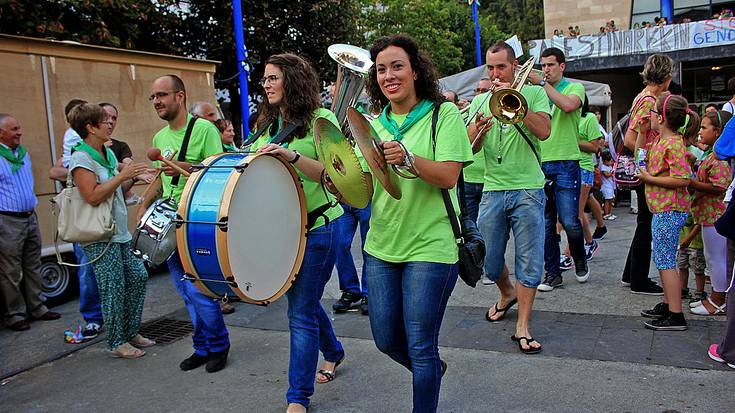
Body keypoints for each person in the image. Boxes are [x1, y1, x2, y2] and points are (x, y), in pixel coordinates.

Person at [360, 34, 472, 413]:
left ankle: (426, 379)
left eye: (397, 66)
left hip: (432, 245)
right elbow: (362, 185)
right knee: (386, 339)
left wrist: (408, 157)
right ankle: (432, 371)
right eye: (380, 70)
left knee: (422, 344)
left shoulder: (445, 114)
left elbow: (449, 176)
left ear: (415, 71)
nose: (388, 75)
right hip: (381, 246)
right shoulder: (372, 124)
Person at [251, 54, 346, 413]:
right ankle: (334, 351)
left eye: (273, 77)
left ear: (292, 80)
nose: (267, 84)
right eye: (265, 79)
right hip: (285, 232)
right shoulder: (267, 122)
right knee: (302, 304)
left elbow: (335, 175)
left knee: (300, 312)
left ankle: (298, 399)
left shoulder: (322, 120)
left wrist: (290, 156)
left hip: (320, 227)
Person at [469, 41, 551, 353]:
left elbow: (544, 131)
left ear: (514, 65)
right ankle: (506, 293)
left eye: (500, 66)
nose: (495, 73)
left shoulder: (534, 93)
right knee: (487, 261)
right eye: (490, 68)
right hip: (492, 188)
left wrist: (517, 106)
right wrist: (478, 128)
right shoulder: (480, 101)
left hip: (528, 187)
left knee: (529, 259)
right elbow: (470, 148)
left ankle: (523, 326)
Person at [148, 74, 231, 373]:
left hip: (196, 219)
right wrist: (146, 202)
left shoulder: (204, 130)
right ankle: (204, 345)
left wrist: (181, 167)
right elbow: (161, 180)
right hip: (169, 219)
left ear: (179, 96)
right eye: (153, 97)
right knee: (186, 291)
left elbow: (217, 172)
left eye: (162, 95)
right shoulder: (159, 138)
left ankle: (217, 345)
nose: (156, 101)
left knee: (199, 289)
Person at [67, 103, 152, 357]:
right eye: (105, 121)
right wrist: (121, 175)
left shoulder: (107, 153)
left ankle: (130, 330)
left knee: (138, 276)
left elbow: (118, 188)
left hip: (118, 231)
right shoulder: (80, 157)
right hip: (99, 235)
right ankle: (117, 342)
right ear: (90, 128)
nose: (110, 124)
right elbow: (92, 196)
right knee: (112, 287)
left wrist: (137, 175)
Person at [527, 47, 589, 291]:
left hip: (566, 161)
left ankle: (579, 257)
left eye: (551, 65)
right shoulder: (538, 90)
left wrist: (541, 82)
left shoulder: (575, 88)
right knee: (545, 223)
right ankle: (552, 273)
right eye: (543, 66)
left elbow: (567, 106)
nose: (546, 70)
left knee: (570, 221)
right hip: (540, 162)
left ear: (562, 66)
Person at [636, 93, 694, 330]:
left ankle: (676, 313)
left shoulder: (673, 144)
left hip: (670, 210)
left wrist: (650, 178)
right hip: (662, 209)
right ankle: (669, 303)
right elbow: (640, 158)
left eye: (652, 112)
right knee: (662, 259)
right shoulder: (660, 140)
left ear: (661, 117)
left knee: (665, 261)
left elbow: (683, 179)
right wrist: (641, 132)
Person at [0, 114, 61, 331]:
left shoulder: (22, 154)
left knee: (33, 265)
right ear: (1, 133)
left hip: (29, 216)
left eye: (19, 127)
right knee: (10, 270)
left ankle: (38, 307)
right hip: (7, 220)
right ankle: (15, 314)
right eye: (14, 129)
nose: (19, 132)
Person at [621, 53, 674, 295]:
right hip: (648, 169)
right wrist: (653, 156)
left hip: (645, 167)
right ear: (666, 76)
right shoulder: (648, 100)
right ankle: (638, 279)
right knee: (647, 223)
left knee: (644, 221)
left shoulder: (644, 96)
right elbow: (632, 138)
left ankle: (631, 274)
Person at [689, 110, 733, 316]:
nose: (700, 131)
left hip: (715, 214)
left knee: (717, 258)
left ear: (718, 132)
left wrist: (693, 183)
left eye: (705, 127)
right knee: (711, 257)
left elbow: (719, 186)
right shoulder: (709, 153)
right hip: (707, 214)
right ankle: (716, 296)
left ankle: (718, 300)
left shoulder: (721, 158)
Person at [576, 95, 606, 256]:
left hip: (584, 167)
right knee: (578, 210)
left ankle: (568, 253)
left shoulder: (588, 118)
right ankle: (590, 241)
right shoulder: (567, 117)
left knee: (575, 212)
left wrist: (571, 140)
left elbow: (595, 147)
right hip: (569, 167)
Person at [600, 151, 616, 218]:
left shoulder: (609, 167)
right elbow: (606, 175)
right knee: (607, 200)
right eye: (609, 161)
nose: (611, 163)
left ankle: (609, 213)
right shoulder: (603, 167)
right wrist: (612, 172)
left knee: (611, 200)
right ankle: (606, 214)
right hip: (606, 186)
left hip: (611, 186)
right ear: (604, 161)